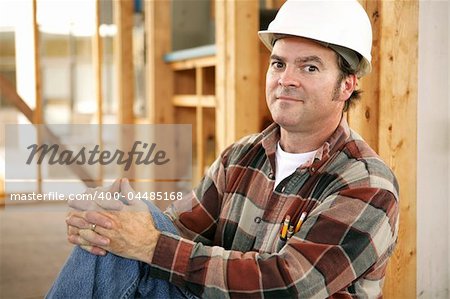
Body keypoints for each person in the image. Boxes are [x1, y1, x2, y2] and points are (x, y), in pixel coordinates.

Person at [48, 1, 399, 298]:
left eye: (309, 67)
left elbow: (290, 284)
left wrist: (147, 243)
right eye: (278, 63)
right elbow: (177, 229)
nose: (285, 79)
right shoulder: (241, 156)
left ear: (346, 85)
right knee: (116, 223)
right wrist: (109, 224)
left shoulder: (367, 185)